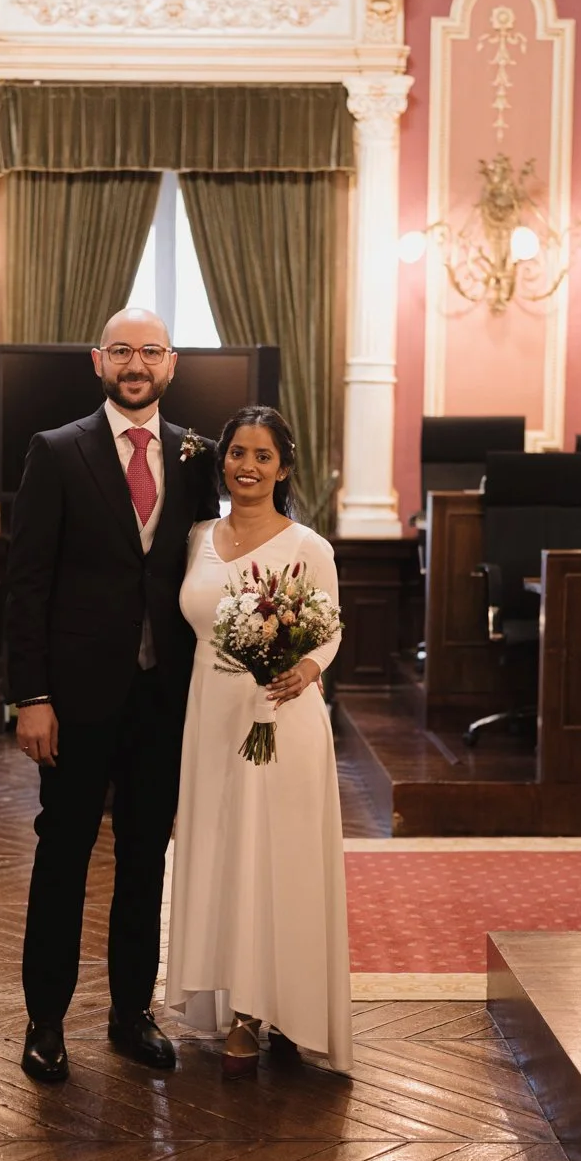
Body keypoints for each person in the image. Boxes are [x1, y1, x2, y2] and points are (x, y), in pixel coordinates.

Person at [3, 307, 220, 1083]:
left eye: (150, 351)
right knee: (62, 856)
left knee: (143, 860)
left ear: (172, 363)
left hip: (166, 698)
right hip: (74, 699)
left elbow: (210, 568)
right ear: (98, 361)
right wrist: (31, 695)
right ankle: (46, 1022)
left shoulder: (200, 456)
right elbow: (26, 585)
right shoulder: (56, 452)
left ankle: (133, 1014)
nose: (136, 363)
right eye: (122, 351)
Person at [165, 406, 352, 1077]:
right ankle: (239, 1008)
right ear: (223, 462)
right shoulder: (195, 537)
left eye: (262, 455)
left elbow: (328, 628)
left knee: (283, 859)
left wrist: (304, 667)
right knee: (223, 853)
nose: (247, 465)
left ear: (284, 467)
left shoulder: (308, 545)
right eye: (237, 452)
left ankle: (292, 1008)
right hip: (209, 715)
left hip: (284, 715)